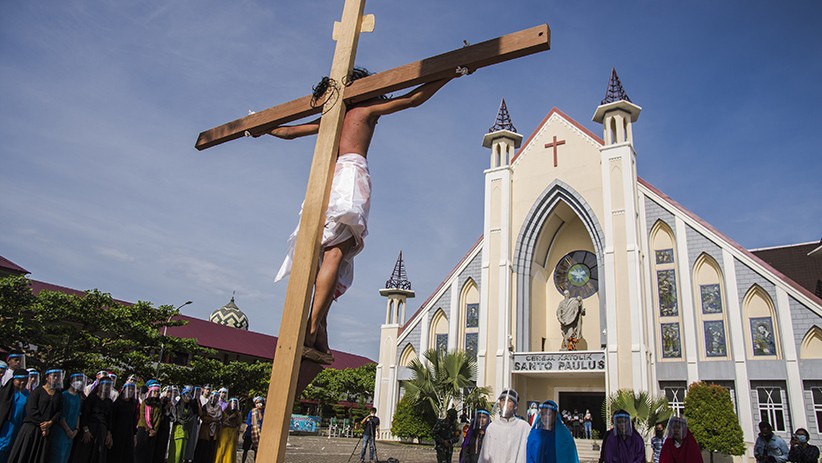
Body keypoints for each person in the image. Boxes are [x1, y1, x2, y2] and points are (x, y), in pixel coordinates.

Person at [260, 66, 463, 365]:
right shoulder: (365, 110)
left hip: (325, 180)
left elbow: (286, 131)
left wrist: (258, 126)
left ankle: (320, 332)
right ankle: (312, 326)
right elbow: (412, 99)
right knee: (333, 255)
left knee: (323, 256)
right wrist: (449, 73)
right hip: (349, 178)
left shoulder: (334, 118)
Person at [7, 368, 63, 463]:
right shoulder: (37, 392)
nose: (56, 378)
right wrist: (43, 425)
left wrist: (50, 422)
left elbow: (59, 411)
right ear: (46, 377)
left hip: (46, 432)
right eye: (54, 376)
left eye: (58, 376)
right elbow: (31, 410)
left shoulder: (58, 395)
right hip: (32, 429)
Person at [478, 389, 531, 462]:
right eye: (502, 400)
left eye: (509, 401)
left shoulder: (524, 427)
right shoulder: (492, 427)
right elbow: (484, 455)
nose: (505, 404)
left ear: (515, 406)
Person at [71, 375, 115, 463]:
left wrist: (109, 434)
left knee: (98, 454)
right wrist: (86, 430)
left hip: (102, 430)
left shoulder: (109, 401)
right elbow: (85, 415)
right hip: (90, 428)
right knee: (85, 454)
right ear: (100, 385)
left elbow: (110, 419)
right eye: (105, 385)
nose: (106, 388)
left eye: (108, 386)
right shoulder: (92, 398)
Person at [48, 372, 84, 463]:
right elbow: (61, 415)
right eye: (77, 380)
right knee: (58, 456)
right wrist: (67, 430)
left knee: (66, 457)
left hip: (72, 432)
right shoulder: (64, 395)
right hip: (61, 431)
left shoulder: (78, 397)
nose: (79, 383)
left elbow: (78, 414)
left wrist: (76, 429)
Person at [0, 370, 29, 463]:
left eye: (25, 379)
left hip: (18, 429)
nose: (22, 382)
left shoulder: (28, 395)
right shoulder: (5, 394)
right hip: (5, 429)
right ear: (13, 380)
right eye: (19, 380)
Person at [109, 382, 138, 463]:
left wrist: (134, 435)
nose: (131, 391)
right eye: (129, 389)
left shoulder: (133, 403)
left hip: (128, 432)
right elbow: (112, 418)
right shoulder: (117, 403)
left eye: (132, 389)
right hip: (117, 432)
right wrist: (110, 433)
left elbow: (134, 420)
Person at [167, 385, 198, 463]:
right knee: (175, 454)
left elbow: (193, 416)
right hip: (177, 432)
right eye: (185, 395)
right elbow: (175, 418)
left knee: (181, 455)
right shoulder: (177, 406)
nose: (187, 397)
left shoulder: (190, 407)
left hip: (185, 433)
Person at [135, 381, 163, 463]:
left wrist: (155, 430)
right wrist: (148, 428)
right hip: (143, 428)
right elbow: (142, 416)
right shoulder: (145, 403)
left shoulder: (158, 404)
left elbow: (158, 417)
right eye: (154, 391)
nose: (156, 393)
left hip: (153, 431)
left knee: (149, 453)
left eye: (158, 391)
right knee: (140, 452)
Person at [192, 390, 222, 463]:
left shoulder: (219, 408)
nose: (215, 398)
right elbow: (203, 417)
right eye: (214, 396)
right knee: (202, 449)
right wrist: (212, 419)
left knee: (210, 450)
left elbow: (220, 419)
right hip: (205, 432)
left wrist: (216, 421)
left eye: (217, 397)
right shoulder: (206, 406)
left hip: (214, 432)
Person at [215, 398, 241, 463]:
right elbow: (222, 421)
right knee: (222, 448)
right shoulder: (225, 412)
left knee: (231, 449)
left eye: (235, 403)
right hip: (224, 431)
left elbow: (239, 424)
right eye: (232, 403)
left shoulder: (238, 413)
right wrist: (230, 418)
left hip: (233, 432)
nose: (233, 404)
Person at [241, 396, 264, 463]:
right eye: (257, 403)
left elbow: (262, 420)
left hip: (259, 433)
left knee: (256, 450)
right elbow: (248, 422)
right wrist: (244, 432)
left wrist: (259, 411)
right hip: (250, 432)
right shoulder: (252, 411)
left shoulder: (264, 411)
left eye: (260, 402)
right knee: (245, 449)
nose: (258, 404)